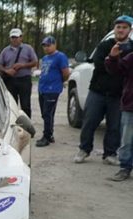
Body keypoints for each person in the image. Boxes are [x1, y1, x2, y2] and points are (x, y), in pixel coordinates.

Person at [75, 16, 132, 164]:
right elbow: (99, 64)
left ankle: (110, 154)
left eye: (124, 27)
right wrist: (117, 64)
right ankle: (84, 149)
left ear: (129, 30)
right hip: (98, 92)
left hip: (119, 95)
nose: (121, 30)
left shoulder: (132, 48)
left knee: (114, 126)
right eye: (118, 27)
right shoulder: (105, 45)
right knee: (89, 122)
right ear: (114, 29)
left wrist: (116, 64)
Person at [105, 24, 133, 181]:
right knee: (127, 140)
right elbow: (116, 70)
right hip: (131, 105)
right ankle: (125, 167)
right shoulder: (131, 56)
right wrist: (113, 57)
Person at [35, 36, 70, 147]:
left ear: (55, 45)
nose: (46, 48)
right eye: (44, 46)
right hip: (43, 89)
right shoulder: (45, 58)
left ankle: (46, 136)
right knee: (45, 114)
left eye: (48, 45)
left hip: (52, 89)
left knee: (47, 113)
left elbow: (65, 73)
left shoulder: (60, 57)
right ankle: (49, 135)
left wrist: (60, 82)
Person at [0, 28, 38, 118]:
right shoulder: (5, 51)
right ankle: (13, 124)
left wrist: (22, 65)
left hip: (24, 80)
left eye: (16, 37)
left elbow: (35, 62)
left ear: (21, 37)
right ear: (10, 38)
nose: (15, 39)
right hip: (10, 81)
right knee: (12, 104)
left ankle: (27, 127)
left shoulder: (28, 48)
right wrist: (7, 71)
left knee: (25, 105)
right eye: (13, 37)